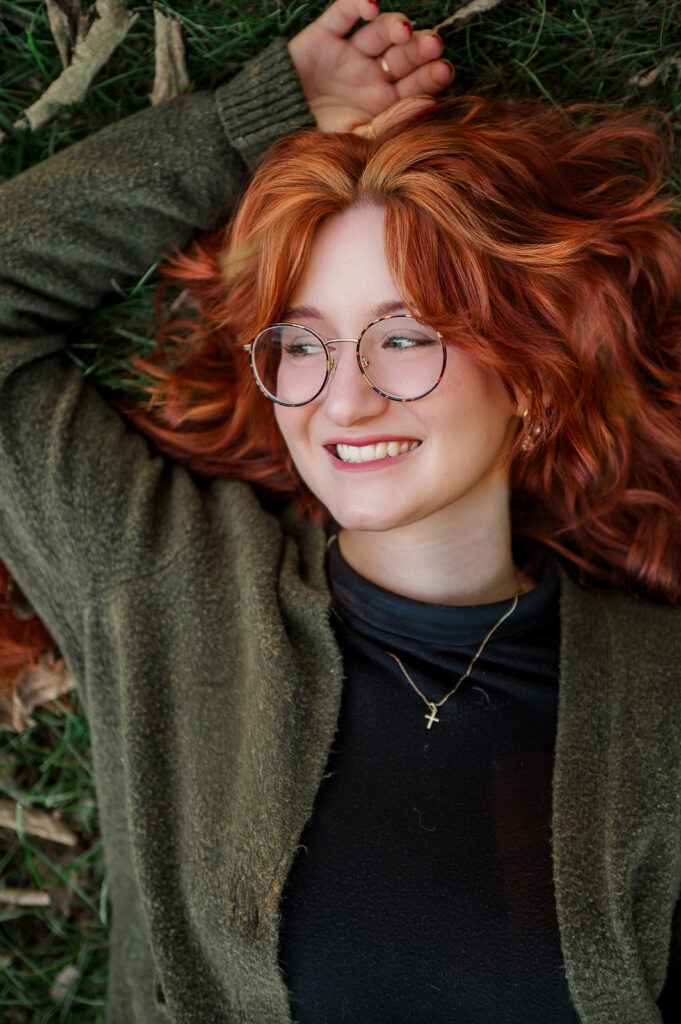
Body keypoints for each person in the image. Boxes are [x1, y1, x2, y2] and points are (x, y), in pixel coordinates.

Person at [0, 1, 679, 1022]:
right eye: (306, 345)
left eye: (405, 337)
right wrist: (253, 122)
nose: (345, 397)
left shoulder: (661, 691)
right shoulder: (166, 590)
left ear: (533, 386)